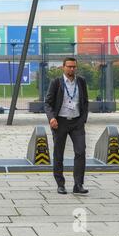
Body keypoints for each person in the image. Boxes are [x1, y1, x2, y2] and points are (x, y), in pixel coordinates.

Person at [44, 57, 89, 195]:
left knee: (80, 152)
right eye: (69, 66)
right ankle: (60, 184)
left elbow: (85, 102)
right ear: (63, 67)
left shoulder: (81, 82)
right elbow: (47, 103)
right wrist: (52, 118)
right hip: (60, 123)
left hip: (77, 123)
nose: (72, 69)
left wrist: (83, 120)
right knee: (59, 154)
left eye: (74, 67)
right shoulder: (56, 83)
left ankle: (78, 184)